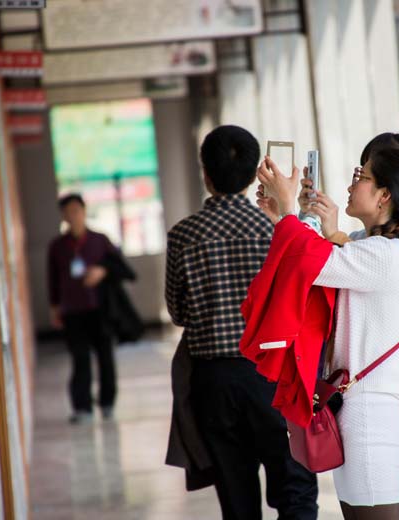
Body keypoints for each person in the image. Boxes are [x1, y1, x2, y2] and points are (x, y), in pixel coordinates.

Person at [256, 136, 399, 520]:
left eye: (362, 175)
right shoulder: (372, 252)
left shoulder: (388, 255)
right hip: (359, 419)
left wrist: (290, 207)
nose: (350, 183)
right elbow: (314, 257)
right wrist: (284, 216)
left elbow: (306, 260)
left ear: (384, 196)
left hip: (370, 426)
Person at [164, 125, 318, 519]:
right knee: (294, 486)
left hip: (213, 382)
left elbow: (179, 313)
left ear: (206, 174)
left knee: (236, 497)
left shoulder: (184, 235)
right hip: (274, 375)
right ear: (255, 175)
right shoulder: (277, 230)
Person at [47, 193, 118, 424]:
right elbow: (53, 279)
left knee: (105, 358)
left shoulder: (100, 240)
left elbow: (120, 266)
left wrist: (102, 271)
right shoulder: (57, 246)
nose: (73, 215)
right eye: (68, 212)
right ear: (63, 216)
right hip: (72, 312)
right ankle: (82, 407)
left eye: (76, 210)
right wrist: (54, 307)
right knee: (80, 359)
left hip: (99, 310)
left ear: (84, 212)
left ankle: (107, 402)